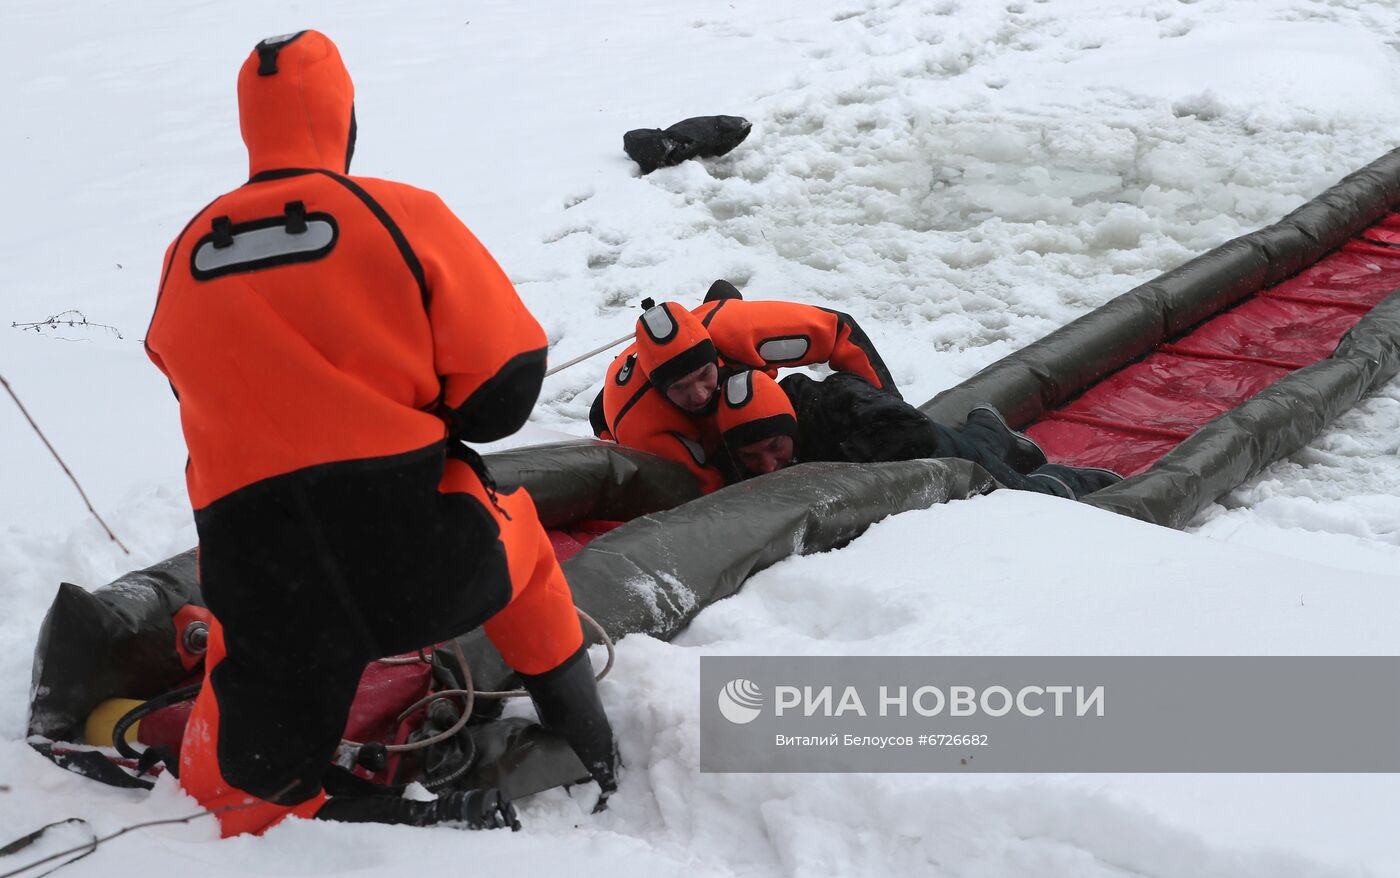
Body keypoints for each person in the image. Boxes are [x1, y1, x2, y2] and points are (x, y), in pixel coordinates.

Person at [144, 31, 614, 836]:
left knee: (238, 789)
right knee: (526, 542)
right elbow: (505, 392)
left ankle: (321, 806)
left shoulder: (187, 247)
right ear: (343, 118)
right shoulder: (399, 214)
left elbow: (180, 368)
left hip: (265, 594)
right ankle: (590, 739)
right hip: (417, 567)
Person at [590, 288, 896, 492]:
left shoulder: (738, 330)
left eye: (704, 376)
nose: (698, 394)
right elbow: (708, 494)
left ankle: (720, 298)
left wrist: (888, 406)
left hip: (717, 333)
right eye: (681, 388)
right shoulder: (644, 424)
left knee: (727, 298)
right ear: (661, 388)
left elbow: (839, 329)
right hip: (623, 405)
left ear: (714, 356)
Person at [714, 368, 1123, 499]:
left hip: (944, 456)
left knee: (1019, 494)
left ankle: (1070, 481)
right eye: (752, 458)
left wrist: (832, 469)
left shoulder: (837, 398)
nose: (767, 466)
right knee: (982, 444)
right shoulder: (742, 454)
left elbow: (913, 430)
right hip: (933, 450)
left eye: (774, 447)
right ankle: (990, 429)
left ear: (791, 427)